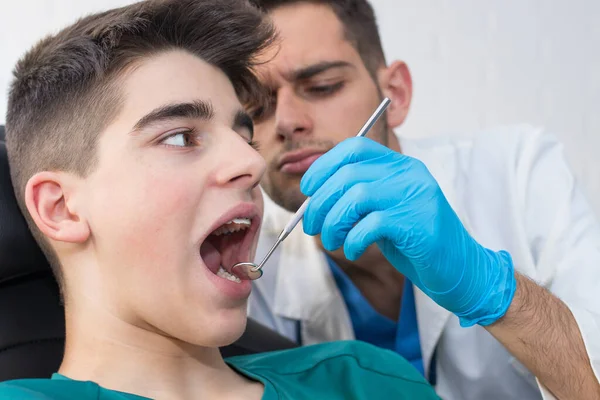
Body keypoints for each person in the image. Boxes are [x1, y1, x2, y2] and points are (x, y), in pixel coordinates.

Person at [0, 0, 440, 399]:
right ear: (60, 208)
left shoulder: (365, 380)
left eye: (244, 137)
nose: (252, 163)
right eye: (180, 137)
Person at [246, 1, 600, 399]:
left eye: (322, 86)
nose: (286, 120)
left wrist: (487, 285)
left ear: (394, 94)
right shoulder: (250, 257)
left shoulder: (519, 173)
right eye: (256, 106)